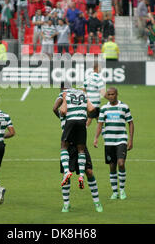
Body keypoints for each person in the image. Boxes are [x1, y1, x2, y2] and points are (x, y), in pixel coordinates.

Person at [53, 83, 103, 213]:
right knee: (71, 174)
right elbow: (92, 109)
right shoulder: (75, 95)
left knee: (86, 172)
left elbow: (55, 108)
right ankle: (66, 204)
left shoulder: (65, 95)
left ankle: (96, 202)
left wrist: (62, 116)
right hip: (75, 135)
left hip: (72, 136)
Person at [94, 87, 134, 200]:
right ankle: (114, 191)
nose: (111, 96)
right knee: (112, 166)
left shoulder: (124, 107)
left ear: (117, 94)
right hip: (109, 141)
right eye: (109, 94)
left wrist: (130, 139)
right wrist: (96, 138)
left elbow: (130, 123)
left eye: (113, 94)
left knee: (121, 163)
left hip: (121, 140)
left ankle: (122, 190)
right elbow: (100, 124)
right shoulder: (104, 109)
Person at [57, 84, 96, 190]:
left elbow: (63, 111)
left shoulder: (65, 93)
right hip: (82, 123)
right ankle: (81, 176)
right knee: (81, 150)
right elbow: (92, 109)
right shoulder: (83, 93)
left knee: (64, 146)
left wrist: (64, 100)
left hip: (70, 122)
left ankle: (67, 171)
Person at [83, 62, 106, 127]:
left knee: (99, 119)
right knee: (89, 120)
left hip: (89, 102)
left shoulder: (87, 77)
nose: (101, 69)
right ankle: (81, 132)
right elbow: (103, 91)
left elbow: (83, 89)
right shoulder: (98, 78)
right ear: (97, 68)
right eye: (100, 68)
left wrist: (87, 98)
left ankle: (104, 132)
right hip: (95, 103)